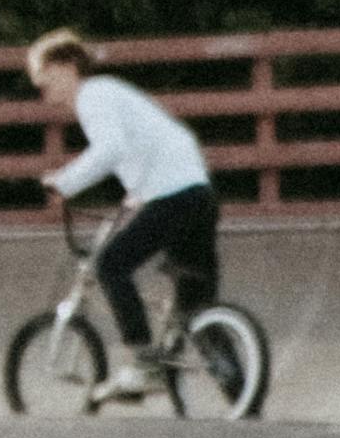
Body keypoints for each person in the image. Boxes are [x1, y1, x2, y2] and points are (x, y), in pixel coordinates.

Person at [33, 30, 223, 373]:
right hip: (198, 194)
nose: (46, 96)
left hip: (173, 196)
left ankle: (142, 359)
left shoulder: (92, 95)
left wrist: (64, 182)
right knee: (195, 311)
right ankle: (242, 394)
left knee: (110, 265)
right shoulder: (112, 93)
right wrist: (136, 193)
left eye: (45, 82)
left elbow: (110, 150)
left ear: (65, 67)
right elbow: (147, 146)